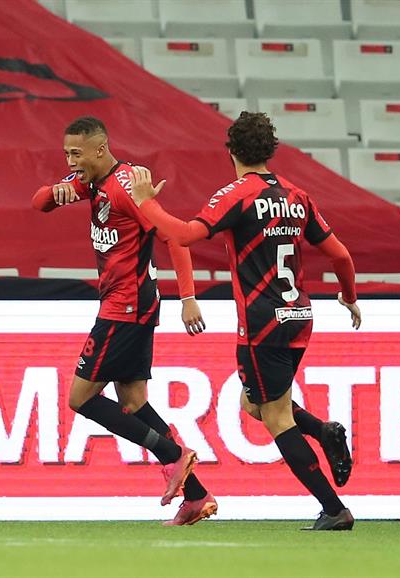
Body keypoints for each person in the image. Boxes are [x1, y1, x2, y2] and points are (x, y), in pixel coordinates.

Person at [129, 112, 360, 531]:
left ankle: (333, 509)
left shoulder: (236, 194)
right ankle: (325, 433)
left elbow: (182, 234)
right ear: (271, 150)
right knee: (253, 405)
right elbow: (342, 255)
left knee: (275, 418)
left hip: (261, 323)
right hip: (300, 317)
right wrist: (349, 295)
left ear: (231, 151)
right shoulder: (297, 196)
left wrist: (145, 201)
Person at [32, 116, 217, 526]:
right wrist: (56, 191)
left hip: (125, 307)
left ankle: (173, 455)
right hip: (131, 304)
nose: (70, 161)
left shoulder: (125, 187)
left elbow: (175, 236)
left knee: (79, 398)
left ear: (100, 150)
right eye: (66, 154)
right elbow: (38, 203)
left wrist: (189, 298)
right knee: (133, 403)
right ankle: (196, 497)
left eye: (75, 154)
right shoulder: (91, 180)